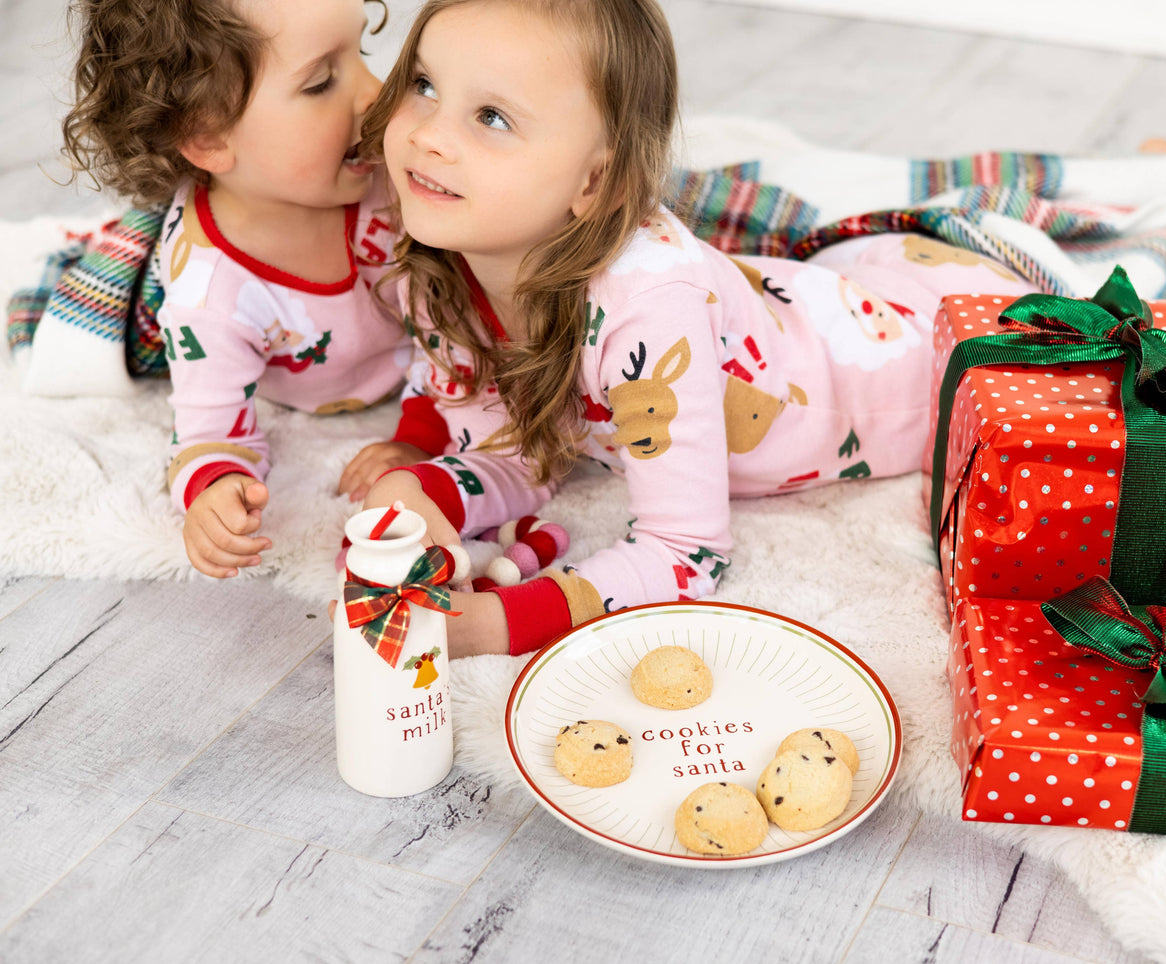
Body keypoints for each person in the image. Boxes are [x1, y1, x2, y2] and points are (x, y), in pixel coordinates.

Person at [350, 0, 1037, 656]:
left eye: (492, 117)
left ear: (595, 182)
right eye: (423, 84)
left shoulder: (645, 305)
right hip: (803, 295)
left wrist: (501, 622)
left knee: (1057, 295)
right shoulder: (436, 263)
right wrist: (421, 489)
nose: (426, 134)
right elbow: (521, 453)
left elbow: (686, 551)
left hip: (929, 350)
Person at [61, 0, 421, 578]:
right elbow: (209, 431)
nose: (377, 92)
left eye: (362, 53)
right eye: (322, 81)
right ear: (206, 136)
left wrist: (423, 431)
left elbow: (465, 316)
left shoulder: (383, 173)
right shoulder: (210, 295)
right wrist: (218, 489)